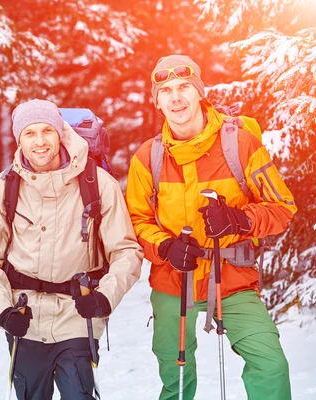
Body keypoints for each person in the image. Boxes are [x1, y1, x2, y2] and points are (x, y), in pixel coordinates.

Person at [125, 55, 297, 400]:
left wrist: (240, 219)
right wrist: (165, 247)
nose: (176, 97)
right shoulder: (148, 157)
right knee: (175, 373)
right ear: (157, 101)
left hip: (232, 278)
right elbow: (135, 221)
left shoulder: (240, 144)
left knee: (271, 363)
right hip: (175, 281)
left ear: (200, 91)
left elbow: (282, 208)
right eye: (167, 90)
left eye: (184, 87)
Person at [0, 99, 143, 400]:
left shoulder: (97, 184)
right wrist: (4, 312)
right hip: (24, 317)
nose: (40, 142)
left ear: (60, 133)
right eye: (30, 133)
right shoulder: (4, 187)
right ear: (19, 139)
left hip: (78, 315)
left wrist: (103, 298)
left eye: (47, 131)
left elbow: (126, 251)